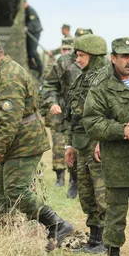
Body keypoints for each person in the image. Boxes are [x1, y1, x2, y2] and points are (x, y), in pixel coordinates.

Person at [0, 33, 74, 252]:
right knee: (0, 191)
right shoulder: (2, 73)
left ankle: (56, 224)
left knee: (16, 191)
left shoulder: (8, 76)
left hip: (23, 142)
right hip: (16, 141)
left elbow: (10, 120)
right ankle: (7, 237)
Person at [83, 37, 129, 256]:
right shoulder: (102, 85)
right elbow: (92, 122)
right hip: (117, 160)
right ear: (113, 58)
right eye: (124, 56)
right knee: (115, 213)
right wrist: (122, 129)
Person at [64, 34, 108, 254]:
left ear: (94, 55)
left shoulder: (106, 79)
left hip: (98, 144)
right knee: (86, 193)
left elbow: (111, 113)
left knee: (102, 194)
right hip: (82, 144)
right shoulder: (82, 79)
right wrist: (69, 144)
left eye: (81, 55)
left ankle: (107, 242)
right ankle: (94, 240)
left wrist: (102, 140)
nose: (77, 60)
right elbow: (73, 115)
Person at [40, 29, 92, 198]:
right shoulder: (64, 62)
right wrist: (52, 102)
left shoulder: (102, 63)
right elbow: (49, 85)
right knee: (67, 147)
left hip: (92, 114)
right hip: (68, 114)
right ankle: (72, 180)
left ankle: (86, 182)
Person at [42, 36, 75, 188]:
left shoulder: (78, 67)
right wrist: (46, 110)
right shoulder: (53, 68)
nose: (66, 52)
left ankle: (74, 179)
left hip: (74, 115)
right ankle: (60, 177)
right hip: (58, 115)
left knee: (74, 146)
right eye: (63, 50)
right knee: (58, 145)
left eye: (69, 49)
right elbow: (45, 91)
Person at [24, 1, 44, 79]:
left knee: (33, 51)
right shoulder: (25, 11)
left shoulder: (30, 10)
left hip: (35, 32)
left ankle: (40, 67)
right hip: (30, 32)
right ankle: (31, 66)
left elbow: (33, 23)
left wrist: (27, 27)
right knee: (29, 51)